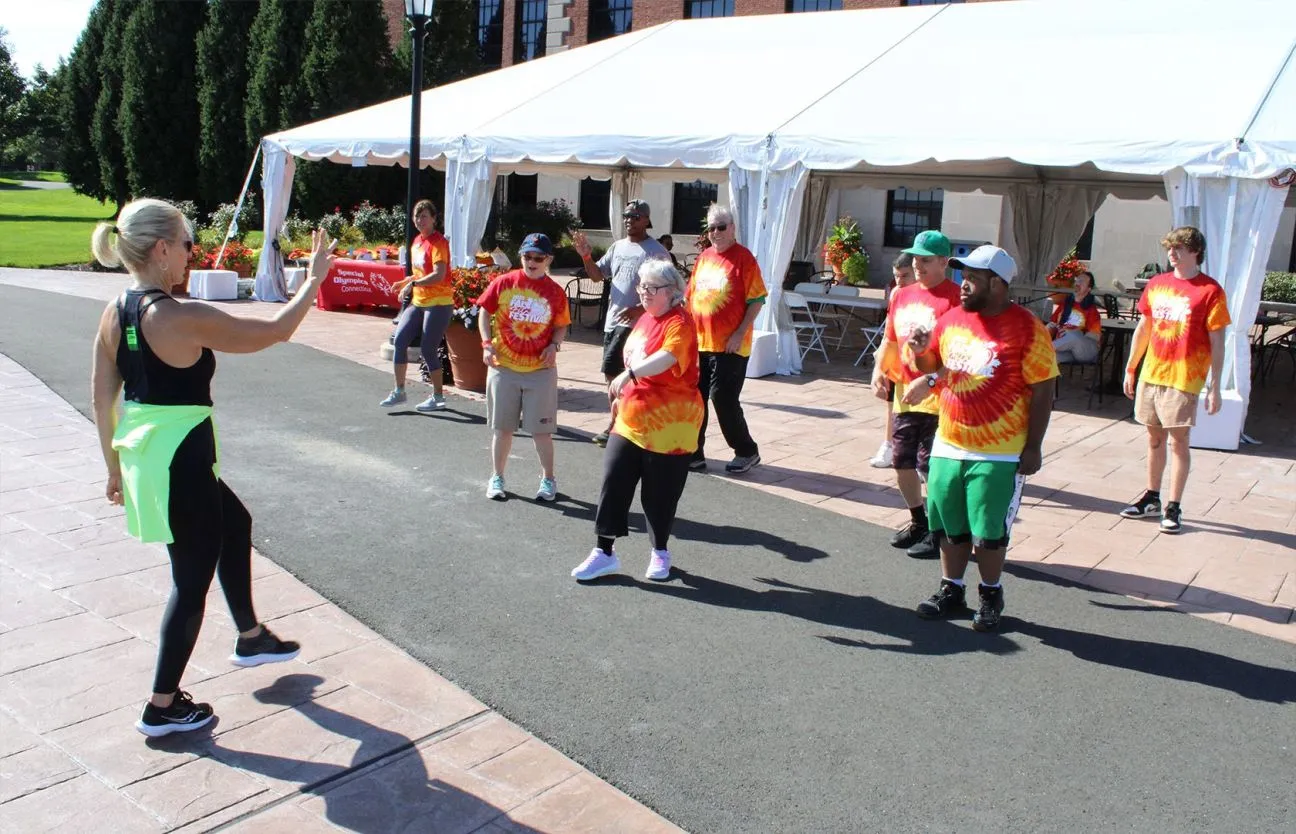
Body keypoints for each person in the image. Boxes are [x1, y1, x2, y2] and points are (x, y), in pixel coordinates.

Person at [89, 199, 333, 736]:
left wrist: (113, 468)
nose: (190, 254)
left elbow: (102, 395)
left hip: (151, 455)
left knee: (235, 523)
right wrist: (313, 281)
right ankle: (162, 704)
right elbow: (275, 330)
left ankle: (250, 636)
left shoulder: (117, 310)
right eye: (185, 244)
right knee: (190, 580)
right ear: (160, 249)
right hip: (182, 459)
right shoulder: (178, 316)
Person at [906, 245, 1058, 632]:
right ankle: (950, 588)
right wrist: (922, 352)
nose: (963, 284)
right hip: (949, 441)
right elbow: (935, 366)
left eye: (972, 278)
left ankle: (990, 593)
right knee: (949, 525)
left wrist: (1034, 446)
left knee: (989, 532)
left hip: (1000, 451)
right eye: (963, 276)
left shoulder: (1028, 328)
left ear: (997, 283)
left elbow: (1043, 391)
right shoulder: (953, 318)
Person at [571, 260, 703, 582]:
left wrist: (630, 373)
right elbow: (635, 357)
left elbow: (668, 357)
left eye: (652, 287)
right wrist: (620, 393)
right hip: (631, 418)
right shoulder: (644, 318)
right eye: (641, 286)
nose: (644, 292)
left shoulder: (680, 322)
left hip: (671, 425)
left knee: (659, 494)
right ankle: (604, 552)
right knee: (613, 480)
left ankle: (660, 551)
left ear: (672, 292)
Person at [1119, 226, 1229, 534]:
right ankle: (1152, 497)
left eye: (1179, 247)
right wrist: (1131, 366)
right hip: (1152, 373)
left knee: (1178, 441)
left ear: (1195, 252)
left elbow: (1218, 340)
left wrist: (1215, 386)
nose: (1172, 252)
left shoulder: (1210, 291)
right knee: (1153, 438)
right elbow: (1144, 327)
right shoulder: (1157, 284)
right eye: (1170, 247)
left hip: (1184, 377)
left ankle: (1173, 506)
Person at [869, 232, 961, 559]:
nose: (917, 265)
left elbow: (960, 352)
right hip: (906, 395)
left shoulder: (955, 298)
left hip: (942, 399)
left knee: (931, 466)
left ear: (943, 262)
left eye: (925, 260)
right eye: (915, 258)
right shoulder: (901, 295)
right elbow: (890, 339)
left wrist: (934, 379)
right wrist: (880, 370)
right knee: (901, 461)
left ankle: (940, 531)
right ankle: (918, 521)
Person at [477, 233, 571, 501]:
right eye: (527, 256)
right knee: (502, 429)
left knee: (542, 431)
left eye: (538, 257)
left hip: (540, 371)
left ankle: (548, 479)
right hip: (503, 367)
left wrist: (555, 345)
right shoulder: (504, 282)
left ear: (548, 260)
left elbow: (561, 324)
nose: (532, 262)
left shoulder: (554, 292)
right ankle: (497, 477)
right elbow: (485, 310)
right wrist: (486, 343)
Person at [573, 199, 669, 447]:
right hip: (613, 323)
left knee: (628, 376)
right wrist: (586, 256)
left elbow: (669, 288)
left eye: (635, 216)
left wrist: (640, 308)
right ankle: (621, 422)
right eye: (626, 216)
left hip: (639, 327)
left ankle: (618, 426)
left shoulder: (656, 251)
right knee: (611, 375)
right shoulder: (617, 247)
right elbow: (596, 276)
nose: (629, 220)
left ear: (647, 220)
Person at [685, 204, 766, 474]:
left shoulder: (744, 258)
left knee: (723, 398)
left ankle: (746, 451)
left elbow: (757, 300)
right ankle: (694, 453)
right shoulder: (704, 257)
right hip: (700, 342)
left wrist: (740, 332)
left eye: (721, 226)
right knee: (696, 398)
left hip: (731, 345)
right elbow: (690, 298)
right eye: (711, 228)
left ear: (732, 228)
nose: (716, 232)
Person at [381, 200, 452, 412]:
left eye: (424, 216)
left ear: (434, 219)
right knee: (400, 340)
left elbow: (439, 275)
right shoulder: (416, 242)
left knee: (428, 349)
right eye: (416, 216)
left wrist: (413, 283)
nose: (419, 220)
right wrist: (407, 281)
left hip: (439, 303)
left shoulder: (439, 242)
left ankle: (438, 396)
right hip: (419, 301)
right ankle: (399, 391)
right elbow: (421, 272)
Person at [869, 252, 918, 469]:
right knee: (892, 404)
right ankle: (889, 444)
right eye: (897, 276)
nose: (900, 281)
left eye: (905, 276)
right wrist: (881, 357)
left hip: (920, 360)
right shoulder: (897, 293)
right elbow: (890, 326)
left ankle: (917, 453)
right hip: (896, 355)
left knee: (918, 408)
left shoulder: (925, 294)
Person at [1048, 269, 1101, 364]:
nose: (1078, 283)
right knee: (1047, 357)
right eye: (1077, 280)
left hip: (1086, 350)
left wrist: (1072, 334)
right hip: (1067, 350)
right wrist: (1049, 328)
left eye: (1082, 281)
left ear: (1088, 289)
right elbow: (1053, 324)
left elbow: (1094, 338)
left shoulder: (1092, 310)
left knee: (1074, 335)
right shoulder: (1064, 305)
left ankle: (1043, 348)